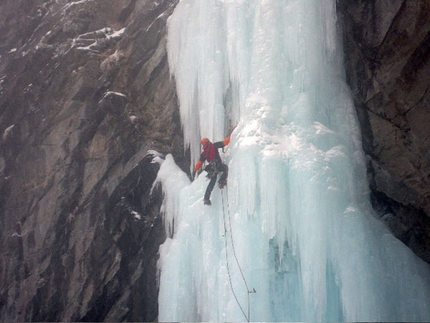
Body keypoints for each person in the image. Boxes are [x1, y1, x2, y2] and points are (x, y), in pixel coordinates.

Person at [193, 133, 232, 205]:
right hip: (218, 165)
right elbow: (225, 142)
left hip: (212, 168)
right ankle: (221, 182)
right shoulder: (214, 146)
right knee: (225, 168)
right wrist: (231, 135)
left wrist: (195, 169)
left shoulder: (204, 153)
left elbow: (199, 163)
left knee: (212, 182)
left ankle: (206, 198)